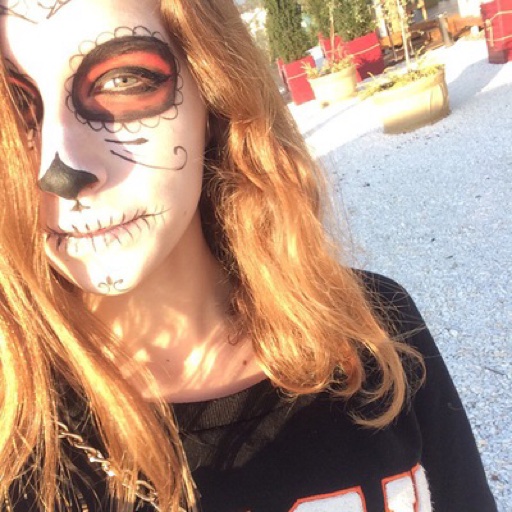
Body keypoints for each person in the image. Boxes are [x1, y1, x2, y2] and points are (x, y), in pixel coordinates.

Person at [0, 0, 497, 511]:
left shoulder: (371, 321)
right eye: (13, 110)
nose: (62, 171)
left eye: (123, 80)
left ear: (213, 91)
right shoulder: (14, 427)